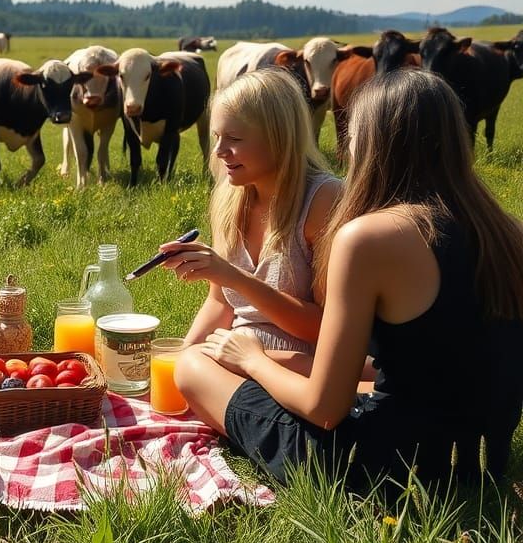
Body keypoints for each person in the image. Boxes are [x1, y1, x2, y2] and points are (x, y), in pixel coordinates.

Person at [178, 69, 523, 487]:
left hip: (379, 467)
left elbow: (324, 408)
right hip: (476, 458)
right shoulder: (507, 230)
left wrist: (252, 359)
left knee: (193, 368)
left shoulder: (368, 238)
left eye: (352, 132)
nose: (345, 148)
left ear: (379, 143)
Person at [158, 67, 341, 353]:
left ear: (279, 137)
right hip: (233, 357)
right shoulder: (229, 197)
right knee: (185, 365)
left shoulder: (324, 199)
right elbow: (219, 304)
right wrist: (176, 361)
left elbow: (325, 329)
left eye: (234, 138)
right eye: (216, 136)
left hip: (305, 369)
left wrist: (233, 276)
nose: (218, 151)